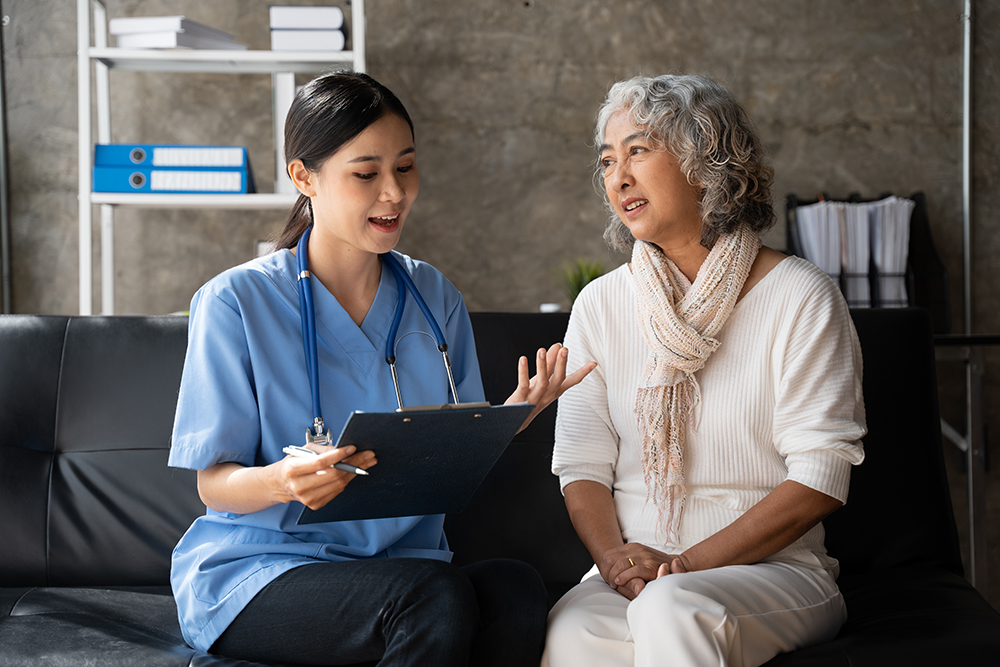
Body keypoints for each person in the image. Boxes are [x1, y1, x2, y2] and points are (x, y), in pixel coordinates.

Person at [168, 71, 593, 667]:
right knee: (431, 596)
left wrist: (512, 418)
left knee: (515, 588)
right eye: (366, 174)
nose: (394, 193)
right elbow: (213, 483)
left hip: (400, 570)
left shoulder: (431, 294)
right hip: (262, 572)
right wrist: (284, 483)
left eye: (406, 167)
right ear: (303, 177)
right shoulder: (235, 303)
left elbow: (449, 441)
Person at [541, 74, 866, 667]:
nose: (618, 176)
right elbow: (582, 463)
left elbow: (821, 477)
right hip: (636, 568)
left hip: (772, 573)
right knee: (572, 630)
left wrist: (682, 568)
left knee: (672, 609)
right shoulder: (601, 303)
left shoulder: (801, 295)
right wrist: (614, 560)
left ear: (704, 160)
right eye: (608, 159)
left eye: (638, 149)